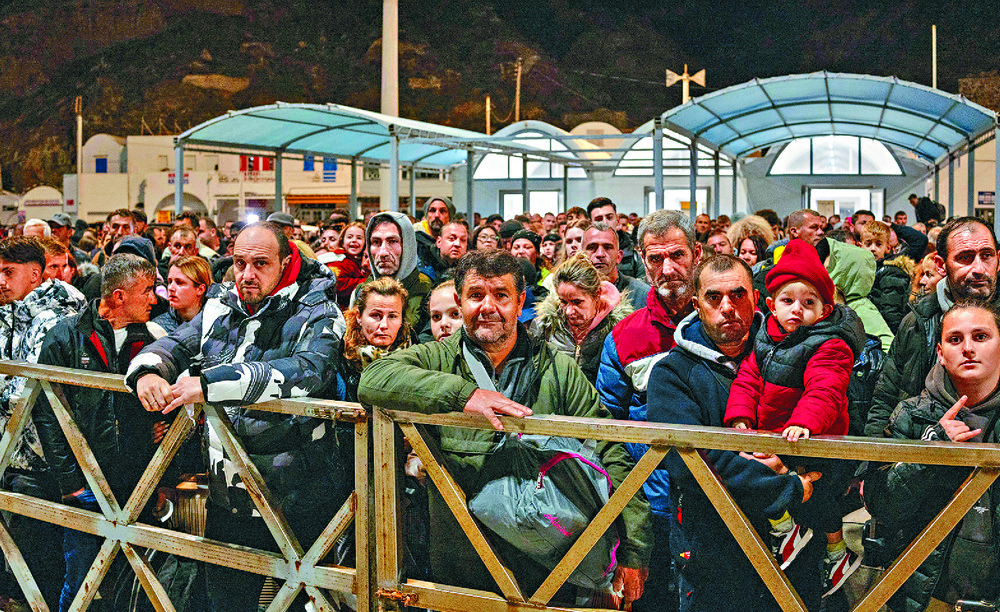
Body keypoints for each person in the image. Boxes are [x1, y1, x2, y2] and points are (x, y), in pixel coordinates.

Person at [357, 250, 651, 607]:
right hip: (462, 572)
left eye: (501, 295)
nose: (487, 307)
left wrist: (633, 549)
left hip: (549, 569)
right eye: (476, 295)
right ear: (460, 300)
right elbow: (374, 379)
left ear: (521, 300)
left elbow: (610, 451)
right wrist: (465, 395)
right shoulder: (437, 358)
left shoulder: (557, 369)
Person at [125, 222, 349, 612]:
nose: (247, 275)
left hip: (298, 491)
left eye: (260, 264)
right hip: (229, 489)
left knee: (299, 600)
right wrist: (146, 370)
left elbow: (308, 370)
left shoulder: (320, 310)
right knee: (226, 598)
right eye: (240, 262)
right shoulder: (222, 304)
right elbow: (178, 342)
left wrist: (209, 383)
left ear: (286, 262)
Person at [647, 254, 825, 612]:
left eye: (738, 295)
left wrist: (789, 465)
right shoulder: (672, 372)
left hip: (797, 541)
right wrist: (782, 482)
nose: (728, 307)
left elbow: (830, 417)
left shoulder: (801, 350)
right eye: (714, 298)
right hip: (712, 542)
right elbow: (689, 461)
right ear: (696, 305)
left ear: (756, 299)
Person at [724, 239, 865, 595]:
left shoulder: (830, 343)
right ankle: (787, 530)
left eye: (808, 303)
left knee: (819, 496)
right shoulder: (766, 338)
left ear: (825, 308)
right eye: (788, 301)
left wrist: (805, 421)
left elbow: (827, 387)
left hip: (817, 437)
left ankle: (836, 553)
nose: (796, 311)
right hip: (778, 435)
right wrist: (740, 415)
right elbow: (748, 378)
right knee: (765, 478)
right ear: (771, 305)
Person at [32, 254, 166, 612]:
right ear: (120, 297)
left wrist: (160, 463)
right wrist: (71, 482)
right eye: (147, 290)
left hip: (136, 479)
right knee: (81, 578)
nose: (155, 299)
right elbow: (47, 415)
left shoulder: (155, 338)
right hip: (84, 481)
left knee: (134, 580)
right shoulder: (65, 336)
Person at [864, 301, 1000, 612]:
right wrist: (932, 451)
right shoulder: (913, 415)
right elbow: (880, 504)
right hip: (927, 593)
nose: (967, 348)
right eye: (955, 339)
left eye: (981, 336)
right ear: (940, 353)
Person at [597, 209, 701, 612]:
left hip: (715, 495)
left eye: (677, 255)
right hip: (650, 500)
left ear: (696, 254)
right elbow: (609, 422)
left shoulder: (723, 323)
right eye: (656, 259)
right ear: (642, 259)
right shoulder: (626, 335)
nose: (668, 268)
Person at [0, 237, 87, 610]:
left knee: (44, 562)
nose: (0, 281)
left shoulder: (55, 317)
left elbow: (26, 391)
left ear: (35, 274)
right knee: (24, 559)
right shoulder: (9, 312)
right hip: (13, 455)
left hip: (44, 459)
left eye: (8, 272)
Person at [867, 217, 999, 437]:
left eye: (987, 256)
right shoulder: (916, 322)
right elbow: (886, 398)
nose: (978, 268)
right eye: (965, 258)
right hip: (920, 452)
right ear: (941, 265)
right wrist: (875, 462)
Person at [530, 254, 633, 385]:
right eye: (563, 302)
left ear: (597, 294)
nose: (569, 311)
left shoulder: (618, 329)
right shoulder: (545, 325)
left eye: (577, 302)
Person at [339, 277, 411, 402]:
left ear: (402, 320)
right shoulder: (339, 357)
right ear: (359, 317)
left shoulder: (415, 353)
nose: (384, 325)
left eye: (392, 316)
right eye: (375, 315)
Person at [362, 211, 433, 335]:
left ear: (408, 246)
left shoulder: (427, 290)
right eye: (376, 242)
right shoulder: (361, 291)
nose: (383, 252)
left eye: (392, 241)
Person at [821, 238, 895, 350]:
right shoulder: (840, 304)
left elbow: (889, 348)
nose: (823, 274)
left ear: (845, 274)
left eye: (829, 269)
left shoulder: (861, 308)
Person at [861, 220, 915, 334]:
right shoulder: (866, 269)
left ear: (887, 248)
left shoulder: (892, 272)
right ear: (860, 244)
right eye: (868, 243)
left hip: (886, 331)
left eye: (878, 244)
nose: (873, 248)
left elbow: (891, 311)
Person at [581, 222, 650, 310]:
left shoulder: (642, 296)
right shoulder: (569, 295)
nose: (600, 254)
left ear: (619, 256)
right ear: (580, 255)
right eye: (591, 247)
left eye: (608, 247)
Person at [153, 255, 212, 334]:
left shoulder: (217, 323)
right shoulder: (157, 327)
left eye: (179, 283)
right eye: (170, 282)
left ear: (200, 289)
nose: (171, 288)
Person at [587, 197, 643, 279]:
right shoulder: (583, 255)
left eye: (609, 218)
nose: (605, 222)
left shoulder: (634, 257)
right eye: (599, 219)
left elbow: (641, 290)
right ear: (590, 223)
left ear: (617, 219)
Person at [324, 221, 367, 310]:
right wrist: (367, 281)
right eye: (349, 237)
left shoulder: (361, 260)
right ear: (342, 242)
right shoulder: (337, 260)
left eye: (359, 238)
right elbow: (340, 286)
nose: (354, 240)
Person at [414, 197, 455, 271]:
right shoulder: (415, 241)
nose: (436, 215)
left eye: (442, 211)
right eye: (432, 211)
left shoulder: (456, 243)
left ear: (449, 217)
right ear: (426, 216)